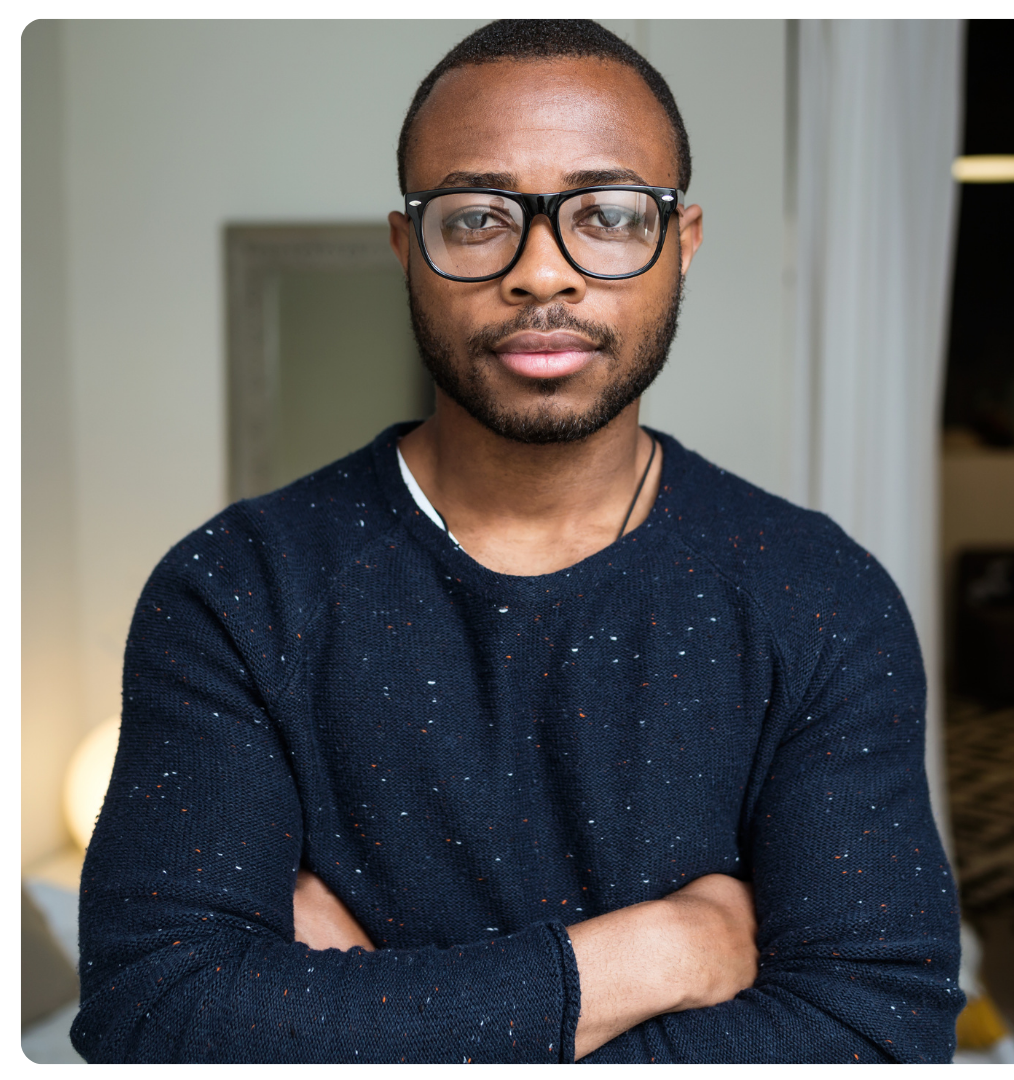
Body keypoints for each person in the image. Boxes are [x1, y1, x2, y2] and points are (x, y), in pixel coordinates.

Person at [72, 20, 963, 1063]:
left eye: (610, 214)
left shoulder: (820, 597)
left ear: (682, 243)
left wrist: (355, 1009)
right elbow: (156, 1014)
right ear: (409, 249)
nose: (543, 273)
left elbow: (876, 1033)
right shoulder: (235, 588)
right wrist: (659, 953)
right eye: (480, 217)